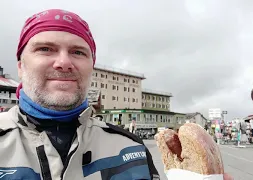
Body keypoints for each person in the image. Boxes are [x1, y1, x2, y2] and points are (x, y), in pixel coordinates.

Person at [0, 9, 159, 180]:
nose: (64, 63)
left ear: (91, 67)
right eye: (45, 49)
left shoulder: (132, 149)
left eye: (78, 52)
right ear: (20, 67)